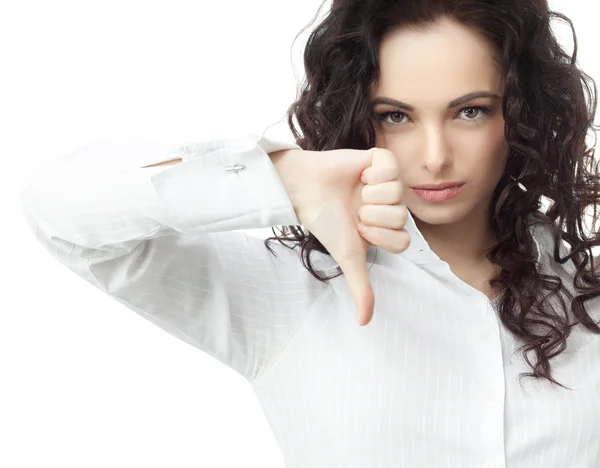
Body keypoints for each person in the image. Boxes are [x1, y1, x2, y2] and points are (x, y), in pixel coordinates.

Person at [18, 0, 600, 466]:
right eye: (395, 116)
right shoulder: (288, 293)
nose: (435, 157)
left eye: (469, 110)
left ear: (522, 114)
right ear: (355, 115)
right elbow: (59, 210)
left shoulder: (587, 291)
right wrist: (281, 176)